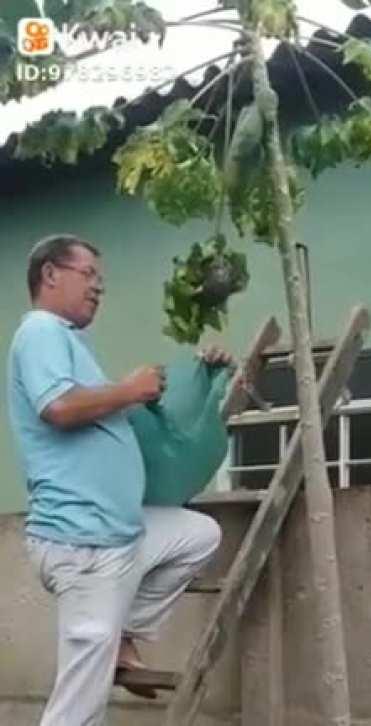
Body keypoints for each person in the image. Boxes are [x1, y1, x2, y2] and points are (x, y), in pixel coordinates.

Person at [7, 233, 231, 726]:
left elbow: (101, 412)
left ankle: (124, 639)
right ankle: (110, 649)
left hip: (118, 533)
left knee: (198, 534)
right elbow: (58, 408)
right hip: (84, 541)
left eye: (100, 281)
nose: (98, 289)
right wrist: (127, 389)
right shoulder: (41, 331)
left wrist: (194, 378)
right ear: (50, 274)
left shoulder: (69, 343)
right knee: (78, 712)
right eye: (89, 275)